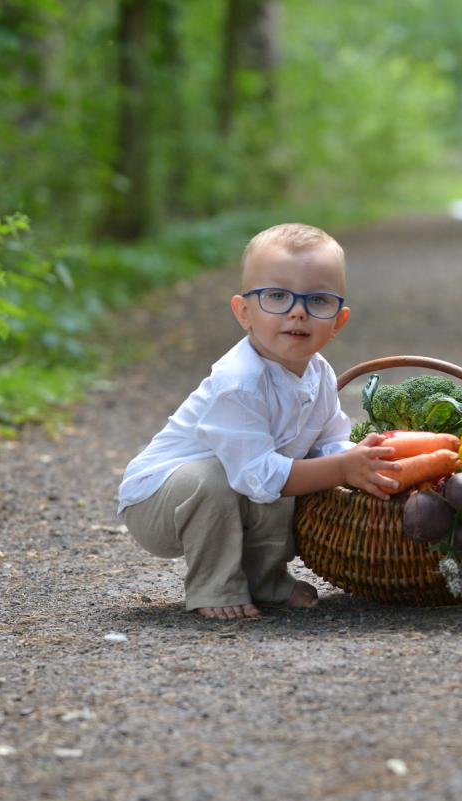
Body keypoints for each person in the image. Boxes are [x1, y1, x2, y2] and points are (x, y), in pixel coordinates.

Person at [117, 223, 402, 620]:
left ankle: (264, 581)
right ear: (244, 312)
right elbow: (257, 475)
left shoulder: (318, 373)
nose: (298, 311)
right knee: (235, 478)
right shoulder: (239, 381)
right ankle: (213, 587)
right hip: (159, 498)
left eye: (318, 300)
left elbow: (331, 440)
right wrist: (339, 468)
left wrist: (362, 461)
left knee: (290, 473)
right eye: (277, 296)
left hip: (237, 480)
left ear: (338, 321)